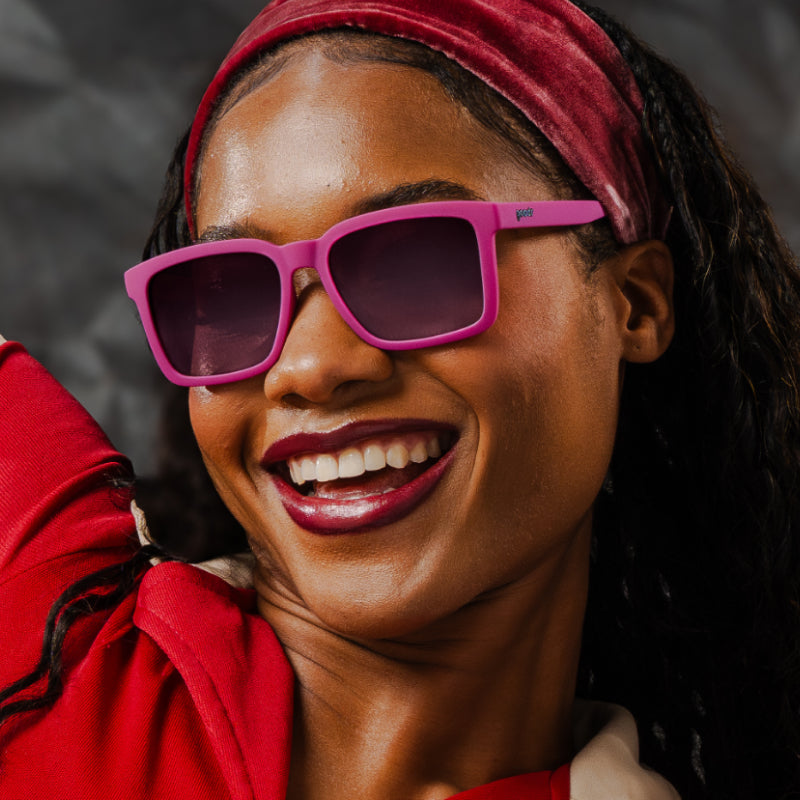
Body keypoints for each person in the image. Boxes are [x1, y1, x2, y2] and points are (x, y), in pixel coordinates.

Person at [1, 1, 798, 798]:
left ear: (636, 304)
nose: (308, 367)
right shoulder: (38, 602)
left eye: (416, 261)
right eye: (233, 292)